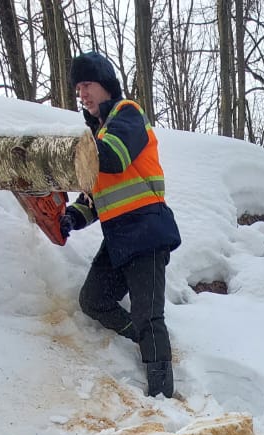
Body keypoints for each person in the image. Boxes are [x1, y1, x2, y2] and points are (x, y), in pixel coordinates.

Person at [60, 52, 181, 398]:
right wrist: (71, 217)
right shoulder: (95, 136)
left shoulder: (127, 114)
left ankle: (162, 397)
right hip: (118, 239)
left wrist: (70, 158)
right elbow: (94, 200)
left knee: (149, 316)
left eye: (88, 85)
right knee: (93, 300)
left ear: (106, 85)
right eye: (78, 88)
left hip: (146, 231)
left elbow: (113, 157)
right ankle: (138, 337)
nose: (82, 93)